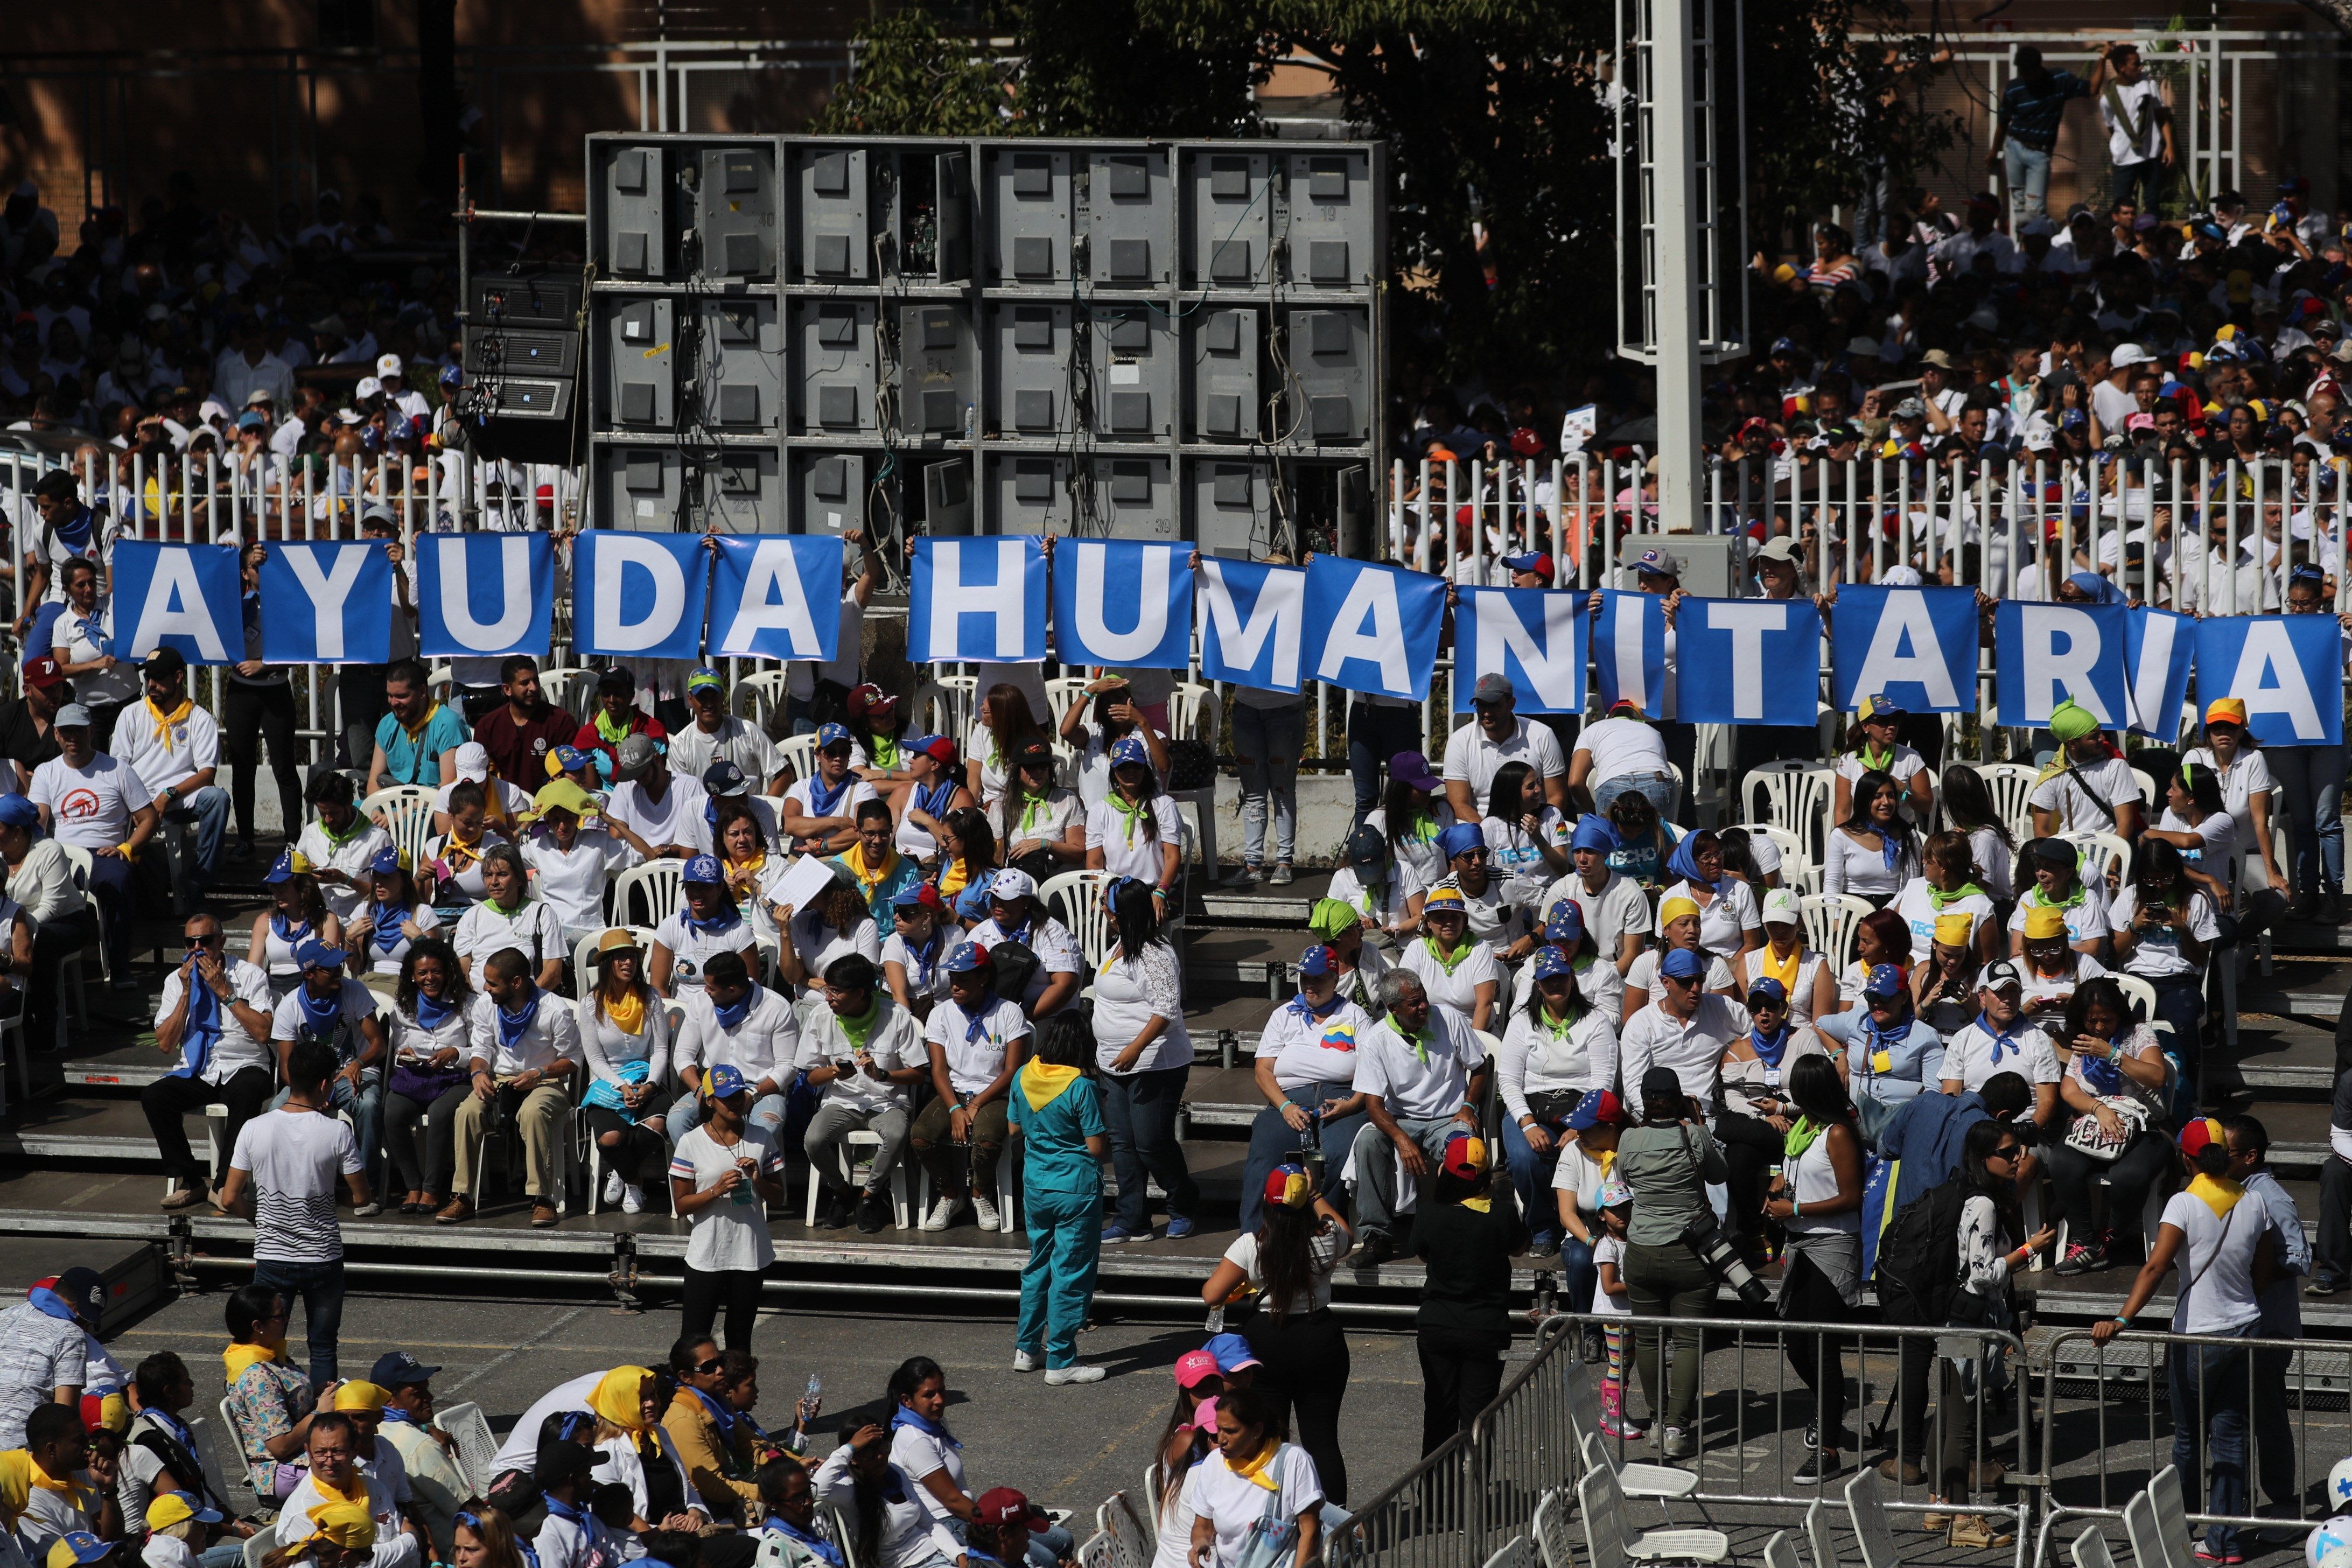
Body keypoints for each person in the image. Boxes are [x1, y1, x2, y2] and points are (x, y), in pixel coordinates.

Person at [2094, 1119, 2275, 1563]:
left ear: (2186, 1157)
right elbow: (2265, 1270)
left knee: (2190, 1438)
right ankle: (2226, 1543)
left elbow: (2155, 1268)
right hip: (2247, 1329)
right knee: (2232, 1436)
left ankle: (2185, 1523)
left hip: (2197, 1335)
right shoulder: (2254, 1201)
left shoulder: (2183, 1204)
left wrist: (2122, 1318)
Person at [218, 1040, 365, 1385]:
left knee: (263, 1344)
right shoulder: (337, 1132)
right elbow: (361, 1197)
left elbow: (228, 1198)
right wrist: (328, 1193)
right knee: (324, 1347)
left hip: (273, 1256)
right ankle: (324, 1425)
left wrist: (260, 1216)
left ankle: (269, 1409)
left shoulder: (254, 1127)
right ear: (326, 1084)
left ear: (289, 1076)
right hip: (323, 1258)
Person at [1201, 1164, 1351, 1501]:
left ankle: (1273, 1515)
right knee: (1323, 1440)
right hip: (1319, 1339)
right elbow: (1346, 1230)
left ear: (1267, 1204)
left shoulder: (1251, 1246)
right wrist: (1315, 1194)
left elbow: (1212, 1294)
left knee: (1268, 1439)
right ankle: (1336, 1523)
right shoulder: (1327, 1239)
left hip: (1267, 1343)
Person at [1343, 970, 1489, 1269]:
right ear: (1393, 1009)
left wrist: (1468, 1107)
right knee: (1369, 1141)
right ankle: (1377, 1237)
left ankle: (1461, 1229)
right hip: (1402, 1119)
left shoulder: (1448, 1018)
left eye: (1423, 998)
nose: (1424, 1006)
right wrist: (1400, 1138)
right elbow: (1373, 1104)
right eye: (1414, 1004)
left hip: (1449, 1117)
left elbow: (1480, 1066)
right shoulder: (1376, 1040)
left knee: (1465, 1146)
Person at [1616, 1066, 1725, 1458]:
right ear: (1678, 1099)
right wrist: (1699, 1127)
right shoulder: (1693, 1136)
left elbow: (1623, 1177)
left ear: (1644, 1101)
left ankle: (1658, 1421)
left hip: (1641, 1250)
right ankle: (1677, 1428)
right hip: (1690, 1251)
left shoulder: (1628, 1138)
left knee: (1647, 1339)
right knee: (1688, 1340)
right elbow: (1718, 1173)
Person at [1766, 1055, 1865, 1484]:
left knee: (1823, 1349)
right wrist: (1777, 1190)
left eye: (1797, 1092)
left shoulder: (1838, 1134)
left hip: (1832, 1245)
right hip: (1800, 1243)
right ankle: (1830, 1406)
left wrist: (1797, 1207)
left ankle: (1828, 1450)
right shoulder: (1802, 1132)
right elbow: (1791, 1174)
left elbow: (1852, 1198)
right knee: (1795, 1343)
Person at [442, 948, 582, 1228]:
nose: (486, 988)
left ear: (516, 983)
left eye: (493, 983)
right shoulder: (486, 1006)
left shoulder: (554, 1009)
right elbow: (482, 1049)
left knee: (533, 1112)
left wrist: (540, 1072)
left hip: (546, 1080)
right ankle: (464, 1196)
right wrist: (479, 1073)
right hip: (501, 1078)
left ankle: (542, 1198)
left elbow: (573, 1060)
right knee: (468, 1111)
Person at [1238, 946, 1371, 1235]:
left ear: (1335, 980)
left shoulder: (1354, 1016)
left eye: (1318, 979)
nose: (1310, 985)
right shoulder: (1283, 1015)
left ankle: (1327, 1226)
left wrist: (1354, 1104)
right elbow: (1262, 1071)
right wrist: (1285, 1106)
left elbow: (1373, 1071)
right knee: (1265, 1147)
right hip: (1290, 1097)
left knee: (1344, 1150)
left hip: (1342, 1096)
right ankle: (1252, 1235)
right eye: (1305, 978)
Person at [145, 915, 276, 1212]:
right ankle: (192, 1181)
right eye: (190, 943)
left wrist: (225, 993)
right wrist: (186, 994)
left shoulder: (251, 975)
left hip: (245, 1064)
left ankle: (223, 1185)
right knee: (155, 1096)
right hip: (199, 1068)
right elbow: (165, 1044)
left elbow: (264, 1032)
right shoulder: (174, 982)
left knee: (248, 1092)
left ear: (221, 942)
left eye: (204, 941)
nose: (197, 949)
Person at [1007, 1012, 1110, 1383]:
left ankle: (1027, 1347)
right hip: (1076, 1188)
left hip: (1036, 1184)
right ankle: (1062, 1359)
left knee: (1038, 1265)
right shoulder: (1082, 1086)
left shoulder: (1023, 1075)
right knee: (1071, 1272)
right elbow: (1096, 1147)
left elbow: (1014, 1128)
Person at [1093, 876, 1196, 1243]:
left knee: (1151, 1141)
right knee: (1122, 1143)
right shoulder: (1119, 945)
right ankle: (1132, 1219)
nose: (1102, 911)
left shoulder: (1155, 953)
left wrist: (1135, 1048)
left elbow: (1167, 1009)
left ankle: (1182, 1204)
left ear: (1123, 915)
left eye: (1107, 906)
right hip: (1112, 1065)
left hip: (1157, 1064)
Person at [1412, 1133, 1528, 1458]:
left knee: (1438, 1413)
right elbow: (1520, 1247)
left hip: (1437, 1325)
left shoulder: (1427, 1214)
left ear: (1444, 1173)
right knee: (1478, 1420)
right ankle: (1473, 1497)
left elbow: (1423, 1255)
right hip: (1485, 1328)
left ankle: (1433, 1499)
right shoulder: (1502, 1214)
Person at [2049, 977, 2175, 1275]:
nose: (2099, 1028)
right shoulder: (2083, 1039)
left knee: (2129, 1175)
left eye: (2106, 1020)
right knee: (2062, 1162)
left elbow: (2158, 1077)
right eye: (2092, 1021)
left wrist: (2110, 1053)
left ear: (2118, 1013)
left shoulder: (2138, 1035)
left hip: (2145, 1125)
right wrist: (2099, 1109)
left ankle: (2110, 1237)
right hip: (2095, 1122)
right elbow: (2069, 1090)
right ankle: (2085, 1240)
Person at [1497, 947, 1617, 1255]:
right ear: (1537, 984)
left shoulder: (1595, 1021)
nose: (1555, 984)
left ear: (1572, 978)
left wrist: (1581, 1125)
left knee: (1589, 1147)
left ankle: (1587, 1222)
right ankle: (1543, 1225)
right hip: (1532, 1107)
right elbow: (1509, 1080)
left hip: (1582, 1109)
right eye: (1547, 979)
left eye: (1561, 977)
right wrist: (1526, 1123)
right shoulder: (1522, 1022)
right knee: (1524, 1159)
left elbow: (1602, 1081)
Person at [797, 953, 927, 1234]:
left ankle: (869, 1196)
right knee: (814, 1140)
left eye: (836, 991)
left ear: (859, 993)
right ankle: (842, 1192)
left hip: (887, 1101)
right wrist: (833, 1072)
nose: (828, 997)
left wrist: (883, 1075)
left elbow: (919, 1073)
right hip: (841, 1101)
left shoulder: (897, 1016)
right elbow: (811, 1077)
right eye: (827, 989)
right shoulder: (821, 1015)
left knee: (895, 1134)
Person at [30, 702, 156, 985]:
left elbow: (148, 818)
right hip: (61, 855)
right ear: (57, 735)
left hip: (104, 853)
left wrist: (127, 848)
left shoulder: (118, 770)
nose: (73, 738)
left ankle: (119, 965)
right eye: (66, 732)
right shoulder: (46, 772)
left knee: (119, 878)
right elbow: (38, 822)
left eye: (79, 731)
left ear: (91, 731)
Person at [667, 1065, 784, 1352]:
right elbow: (681, 1205)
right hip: (708, 1254)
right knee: (694, 1343)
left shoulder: (762, 1138)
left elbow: (779, 1198)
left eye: (738, 1095)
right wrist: (715, 1191)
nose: (735, 1102)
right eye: (726, 1097)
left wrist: (757, 1178)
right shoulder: (691, 1142)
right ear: (710, 1101)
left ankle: (732, 1396)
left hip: (750, 1254)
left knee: (740, 1343)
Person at [268, 941, 388, 1213]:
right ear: (309, 974)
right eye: (331, 968)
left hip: (352, 1072)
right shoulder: (290, 1007)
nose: (339, 971)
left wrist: (357, 1062)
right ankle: (290, 1188)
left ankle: (367, 1188)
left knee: (369, 1105)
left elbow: (378, 1045)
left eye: (340, 965)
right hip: (308, 1081)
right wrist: (309, 1094)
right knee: (277, 1110)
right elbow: (286, 1068)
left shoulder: (354, 990)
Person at [110, 648, 227, 908]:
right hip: (137, 801)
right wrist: (139, 803)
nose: (151, 684)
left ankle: (199, 879)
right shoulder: (131, 714)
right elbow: (118, 770)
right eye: (148, 677)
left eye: (159, 678)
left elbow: (207, 774)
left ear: (178, 677)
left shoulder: (200, 719)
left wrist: (169, 794)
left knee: (218, 799)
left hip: (179, 798)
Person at [577, 930, 676, 1216]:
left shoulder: (650, 997)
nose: (627, 962)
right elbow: (594, 1058)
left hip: (646, 1076)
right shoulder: (590, 1003)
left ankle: (622, 1169)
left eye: (631, 956)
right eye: (620, 957)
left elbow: (660, 1050)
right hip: (608, 1081)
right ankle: (633, 1178)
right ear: (607, 963)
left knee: (658, 1125)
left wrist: (650, 1084)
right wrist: (621, 1086)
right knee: (610, 1138)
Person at [667, 950, 799, 1151]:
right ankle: (703, 1177)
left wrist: (753, 1094)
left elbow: (788, 1067)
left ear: (732, 990)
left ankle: (744, 1180)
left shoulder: (776, 1008)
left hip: (761, 1090)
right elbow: (683, 1055)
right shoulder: (700, 1003)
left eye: (711, 988)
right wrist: (699, 1091)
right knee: (677, 1121)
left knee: (766, 1126)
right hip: (712, 1086)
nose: (705, 991)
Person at [1180, 1388, 1322, 1568]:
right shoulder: (1213, 1463)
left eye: (1231, 1431)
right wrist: (1201, 1542)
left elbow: (1310, 1530)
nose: (1221, 1439)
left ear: (1257, 1430)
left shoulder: (1293, 1461)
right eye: (1218, 1429)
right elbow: (1203, 1525)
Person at [271, 1410, 421, 1568]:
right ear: (308, 1452)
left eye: (338, 1452)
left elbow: (401, 1548)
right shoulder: (303, 1513)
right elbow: (357, 1564)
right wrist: (409, 1542)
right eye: (321, 1452)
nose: (330, 1461)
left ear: (355, 1450)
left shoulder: (374, 1487)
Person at [2109, 837, 2217, 1055]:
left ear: (2177, 873)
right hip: (2138, 979)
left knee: (2185, 1023)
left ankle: (2189, 1082)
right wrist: (2134, 927)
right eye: (2151, 880)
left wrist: (2182, 928)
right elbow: (2117, 954)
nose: (2158, 886)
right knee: (2124, 1026)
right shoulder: (2129, 897)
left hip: (2179, 980)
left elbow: (2199, 959)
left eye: (2166, 879)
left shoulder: (2196, 900)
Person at [810, 1419, 960, 1568]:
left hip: (937, 1557)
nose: (880, 1456)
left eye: (882, 1446)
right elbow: (816, 1489)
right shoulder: (849, 1490)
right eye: (868, 1452)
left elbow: (929, 1523)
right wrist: (849, 1448)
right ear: (854, 1459)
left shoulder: (895, 1472)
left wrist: (959, 1555)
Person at [1937, 961, 2064, 1133]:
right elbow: (1950, 1098)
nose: (2007, 999)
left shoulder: (2039, 1040)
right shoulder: (1963, 1039)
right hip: (1972, 1131)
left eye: (2013, 991)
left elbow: (2047, 1102)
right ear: (1982, 996)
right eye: (1999, 992)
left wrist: (2025, 1134)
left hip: (2022, 1131)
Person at [365, 1353, 467, 1564]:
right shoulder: (422, 1447)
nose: (429, 1397)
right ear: (390, 1401)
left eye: (426, 1388)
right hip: (454, 1554)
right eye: (417, 1393)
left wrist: (424, 1427)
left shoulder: (373, 1430)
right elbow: (467, 1510)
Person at [2181, 698, 2281, 892]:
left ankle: (2240, 925)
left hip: (2244, 851)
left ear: (2242, 730)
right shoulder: (2195, 758)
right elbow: (2181, 810)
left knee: (2275, 899)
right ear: (2208, 732)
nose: (2224, 733)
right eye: (2217, 727)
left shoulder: (2254, 759)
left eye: (2231, 726)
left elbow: (2260, 822)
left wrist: (2272, 872)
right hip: (2201, 853)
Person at [0, 1265, 103, 1450]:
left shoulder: (4, 1316)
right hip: (17, 1458)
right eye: (85, 1322)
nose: (85, 1330)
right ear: (77, 1310)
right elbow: (64, 1418)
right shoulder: (69, 1333)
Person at [449, 846, 564, 994]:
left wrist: (523, 1002)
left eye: (502, 874)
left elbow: (553, 973)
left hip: (527, 1006)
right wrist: (481, 1007)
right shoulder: (472, 917)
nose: (494, 881)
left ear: (519, 879)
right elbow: (462, 972)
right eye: (488, 875)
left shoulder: (542, 915)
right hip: (479, 1006)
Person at [1544, 816, 1649, 976]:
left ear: (1604, 854)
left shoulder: (1631, 893)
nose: (1582, 859)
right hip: (1569, 975)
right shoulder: (1560, 891)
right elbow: (1553, 946)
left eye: (1590, 851)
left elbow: (1632, 955)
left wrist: (1603, 983)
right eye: (1577, 851)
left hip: (1615, 975)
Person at [2029, 698, 2145, 841]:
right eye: (2093, 737)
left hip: (2108, 846)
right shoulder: (2052, 773)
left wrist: (2114, 862)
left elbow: (2125, 824)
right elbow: (2042, 830)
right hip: (2068, 851)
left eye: (2100, 732)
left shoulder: (2115, 766)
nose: (2102, 738)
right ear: (2073, 744)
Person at [649, 855, 759, 1001]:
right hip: (681, 1016)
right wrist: (677, 1019)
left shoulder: (739, 931)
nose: (696, 893)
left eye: (704, 887)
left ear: (720, 888)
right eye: (691, 886)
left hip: (726, 1017)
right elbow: (659, 988)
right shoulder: (670, 928)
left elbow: (751, 988)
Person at [294, 773, 395, 928]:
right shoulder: (310, 833)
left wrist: (345, 879)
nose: (328, 820)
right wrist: (305, 874)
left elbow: (389, 893)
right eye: (322, 813)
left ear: (349, 804)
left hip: (362, 923)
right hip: (318, 920)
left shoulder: (378, 839)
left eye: (333, 813)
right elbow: (293, 881)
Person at [1085, 737, 1182, 897]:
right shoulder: (1099, 810)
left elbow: (1172, 857)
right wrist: (1104, 896)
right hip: (1115, 892)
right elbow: (1094, 864)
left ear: (1145, 769)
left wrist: (1161, 892)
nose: (1130, 772)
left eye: (1136, 766)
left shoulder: (1164, 805)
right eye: (1123, 767)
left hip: (1157, 889)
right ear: (1114, 772)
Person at [1398, 884, 1498, 1031]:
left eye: (1455, 916)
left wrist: (1474, 1047)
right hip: (1429, 1032)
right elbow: (1404, 999)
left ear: (1464, 921)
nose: (1449, 923)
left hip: (1473, 1030)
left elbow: (1485, 1004)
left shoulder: (1480, 949)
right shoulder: (1416, 949)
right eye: (1440, 917)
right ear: (1428, 923)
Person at [367, 660, 467, 796]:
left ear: (422, 692)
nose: (394, 703)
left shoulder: (448, 725)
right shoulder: (387, 724)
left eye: (402, 696)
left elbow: (448, 788)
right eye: (390, 696)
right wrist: (377, 811)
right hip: (394, 809)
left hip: (433, 811)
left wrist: (399, 814)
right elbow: (373, 781)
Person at [1833, 696, 1935, 827]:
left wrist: (1904, 790)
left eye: (1896, 721)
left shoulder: (1911, 757)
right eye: (1884, 721)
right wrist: (1841, 842)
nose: (1892, 726)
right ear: (1865, 726)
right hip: (1862, 836)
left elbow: (1926, 807)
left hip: (1900, 835)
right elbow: (1842, 811)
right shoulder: (1849, 761)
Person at [251, 852, 341, 1000]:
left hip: (310, 992)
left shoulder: (326, 920)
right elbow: (253, 971)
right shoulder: (264, 921)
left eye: (283, 886)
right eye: (273, 887)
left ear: (303, 886)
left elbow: (327, 969)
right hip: (273, 993)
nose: (277, 893)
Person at [1824, 769, 1920, 905]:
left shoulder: (1908, 835)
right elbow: (1832, 884)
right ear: (1864, 800)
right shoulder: (1841, 835)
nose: (1886, 802)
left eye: (1891, 796)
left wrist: (1888, 912)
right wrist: (1835, 920)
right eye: (1877, 796)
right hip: (1852, 910)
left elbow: (1910, 885)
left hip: (1891, 910)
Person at [783, 726, 876, 856]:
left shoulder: (864, 789)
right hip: (800, 861)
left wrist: (821, 845)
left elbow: (862, 831)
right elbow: (789, 824)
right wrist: (836, 822)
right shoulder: (801, 787)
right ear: (817, 755)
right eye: (831, 752)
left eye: (844, 752)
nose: (838, 758)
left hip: (841, 862)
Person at [1939, 763, 2017, 901]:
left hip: (1992, 907)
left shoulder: (1985, 838)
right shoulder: (1960, 826)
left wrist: (1960, 855)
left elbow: (1981, 888)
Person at [882, 884, 954, 1022]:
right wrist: (914, 1034)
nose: (896, 917)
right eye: (896, 910)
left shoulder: (955, 935)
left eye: (904, 913)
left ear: (926, 918)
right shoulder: (894, 942)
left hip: (947, 1018)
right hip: (911, 1017)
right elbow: (899, 996)